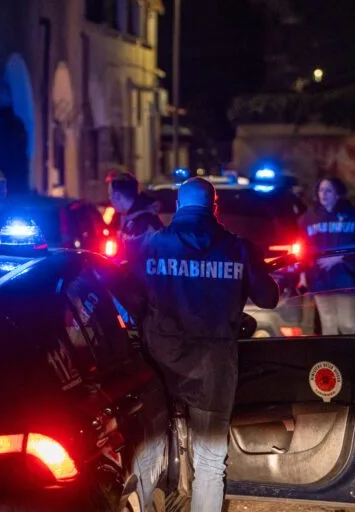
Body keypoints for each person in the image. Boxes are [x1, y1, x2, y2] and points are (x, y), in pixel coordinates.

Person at [127, 177, 279, 512]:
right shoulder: (239, 249)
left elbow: (123, 291)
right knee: (210, 462)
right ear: (215, 207)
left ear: (179, 205)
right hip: (213, 368)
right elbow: (268, 298)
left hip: (159, 364)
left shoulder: (148, 245)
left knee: (149, 453)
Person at [299, 176, 355, 335]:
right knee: (328, 326)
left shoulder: (353, 215)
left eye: (329, 190)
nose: (323, 194)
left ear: (338, 194)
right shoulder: (309, 218)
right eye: (321, 190)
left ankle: (354, 351)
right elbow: (303, 247)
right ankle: (331, 352)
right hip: (320, 278)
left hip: (346, 277)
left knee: (347, 325)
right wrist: (302, 275)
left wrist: (339, 258)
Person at [106, 171, 163, 260]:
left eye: (110, 195)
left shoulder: (146, 222)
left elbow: (148, 259)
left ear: (117, 195)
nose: (109, 199)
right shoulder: (129, 218)